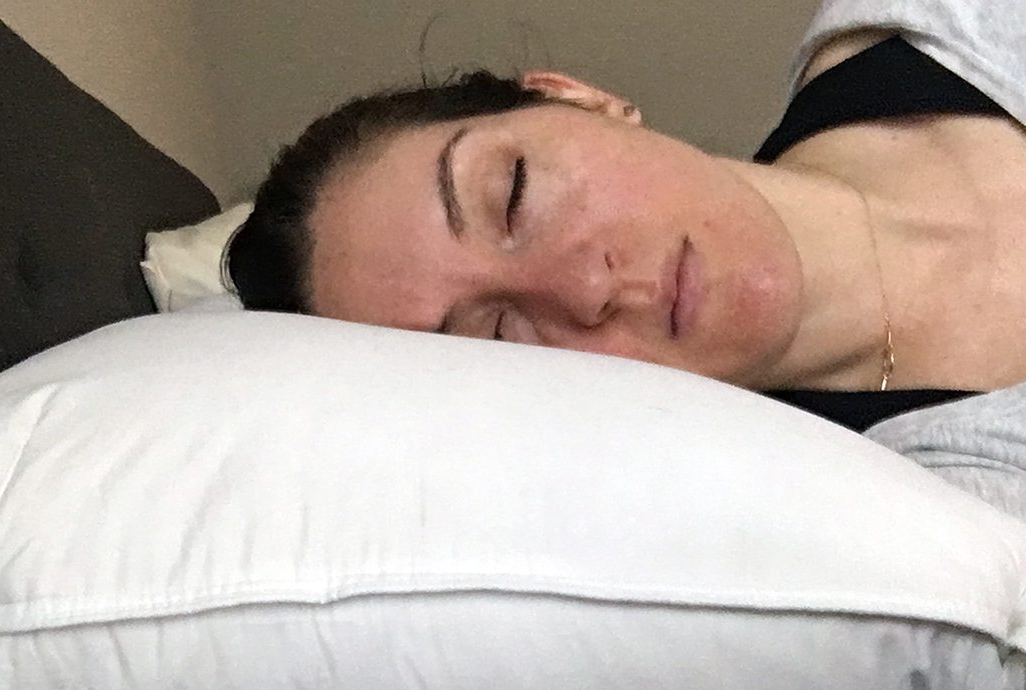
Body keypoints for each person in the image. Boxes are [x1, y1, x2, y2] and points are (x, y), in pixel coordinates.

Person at [228, 1, 1026, 518]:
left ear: (577, 98)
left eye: (513, 193)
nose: (582, 286)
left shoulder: (944, 16)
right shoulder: (938, 526)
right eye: (499, 341)